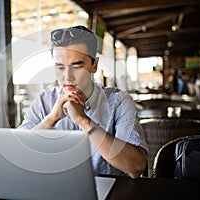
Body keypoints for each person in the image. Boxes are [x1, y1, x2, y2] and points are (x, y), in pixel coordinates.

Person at [18, 25, 148, 179]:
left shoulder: (118, 102)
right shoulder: (43, 101)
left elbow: (135, 167)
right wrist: (50, 120)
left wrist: (83, 121)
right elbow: (18, 155)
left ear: (94, 65)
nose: (67, 77)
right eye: (60, 67)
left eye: (77, 66)